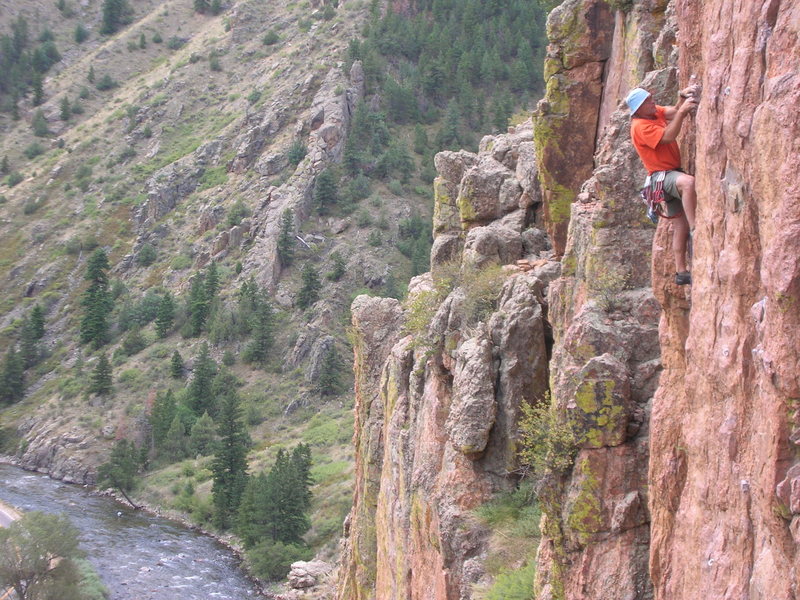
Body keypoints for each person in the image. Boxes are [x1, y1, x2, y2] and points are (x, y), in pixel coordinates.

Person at [626, 85, 699, 285]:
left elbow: (673, 112)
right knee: (688, 183)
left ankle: (681, 272)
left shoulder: (652, 112)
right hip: (661, 176)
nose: (653, 102)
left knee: (679, 224)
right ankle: (696, 229)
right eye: (648, 100)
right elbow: (667, 136)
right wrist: (682, 113)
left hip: (669, 174)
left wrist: (681, 99)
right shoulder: (640, 126)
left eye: (651, 98)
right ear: (639, 107)